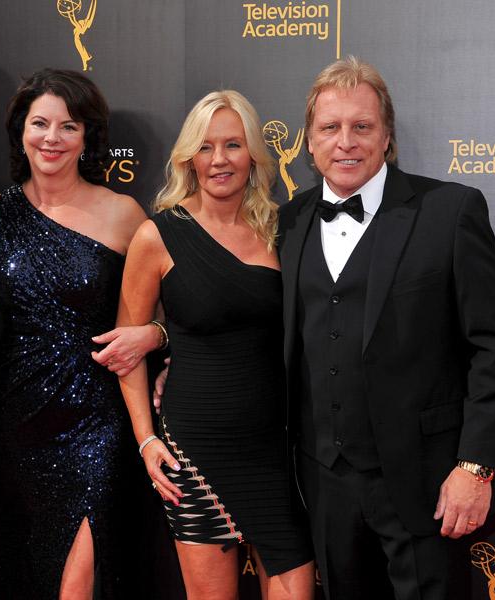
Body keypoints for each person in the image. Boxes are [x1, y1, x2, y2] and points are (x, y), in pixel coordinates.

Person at [277, 57, 495, 598]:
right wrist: (164, 342)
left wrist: (476, 467)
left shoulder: (450, 210)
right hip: (323, 478)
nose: (346, 142)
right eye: (330, 128)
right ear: (309, 142)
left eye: (361, 126)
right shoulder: (288, 222)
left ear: (386, 136)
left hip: (427, 479)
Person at [0, 68, 159, 599]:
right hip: (12, 417)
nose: (52, 138)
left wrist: (153, 335)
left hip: (97, 418)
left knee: (78, 582)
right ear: (20, 131)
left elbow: (167, 311)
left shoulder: (123, 214)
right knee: (27, 568)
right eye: (40, 123)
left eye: (69, 126)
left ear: (87, 139)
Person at [118, 90, 315, 600]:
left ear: (253, 153)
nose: (219, 159)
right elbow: (126, 350)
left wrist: (163, 334)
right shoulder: (157, 236)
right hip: (197, 448)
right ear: (189, 157)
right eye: (206, 147)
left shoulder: (283, 228)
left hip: (277, 450)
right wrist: (146, 439)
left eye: (232, 144)